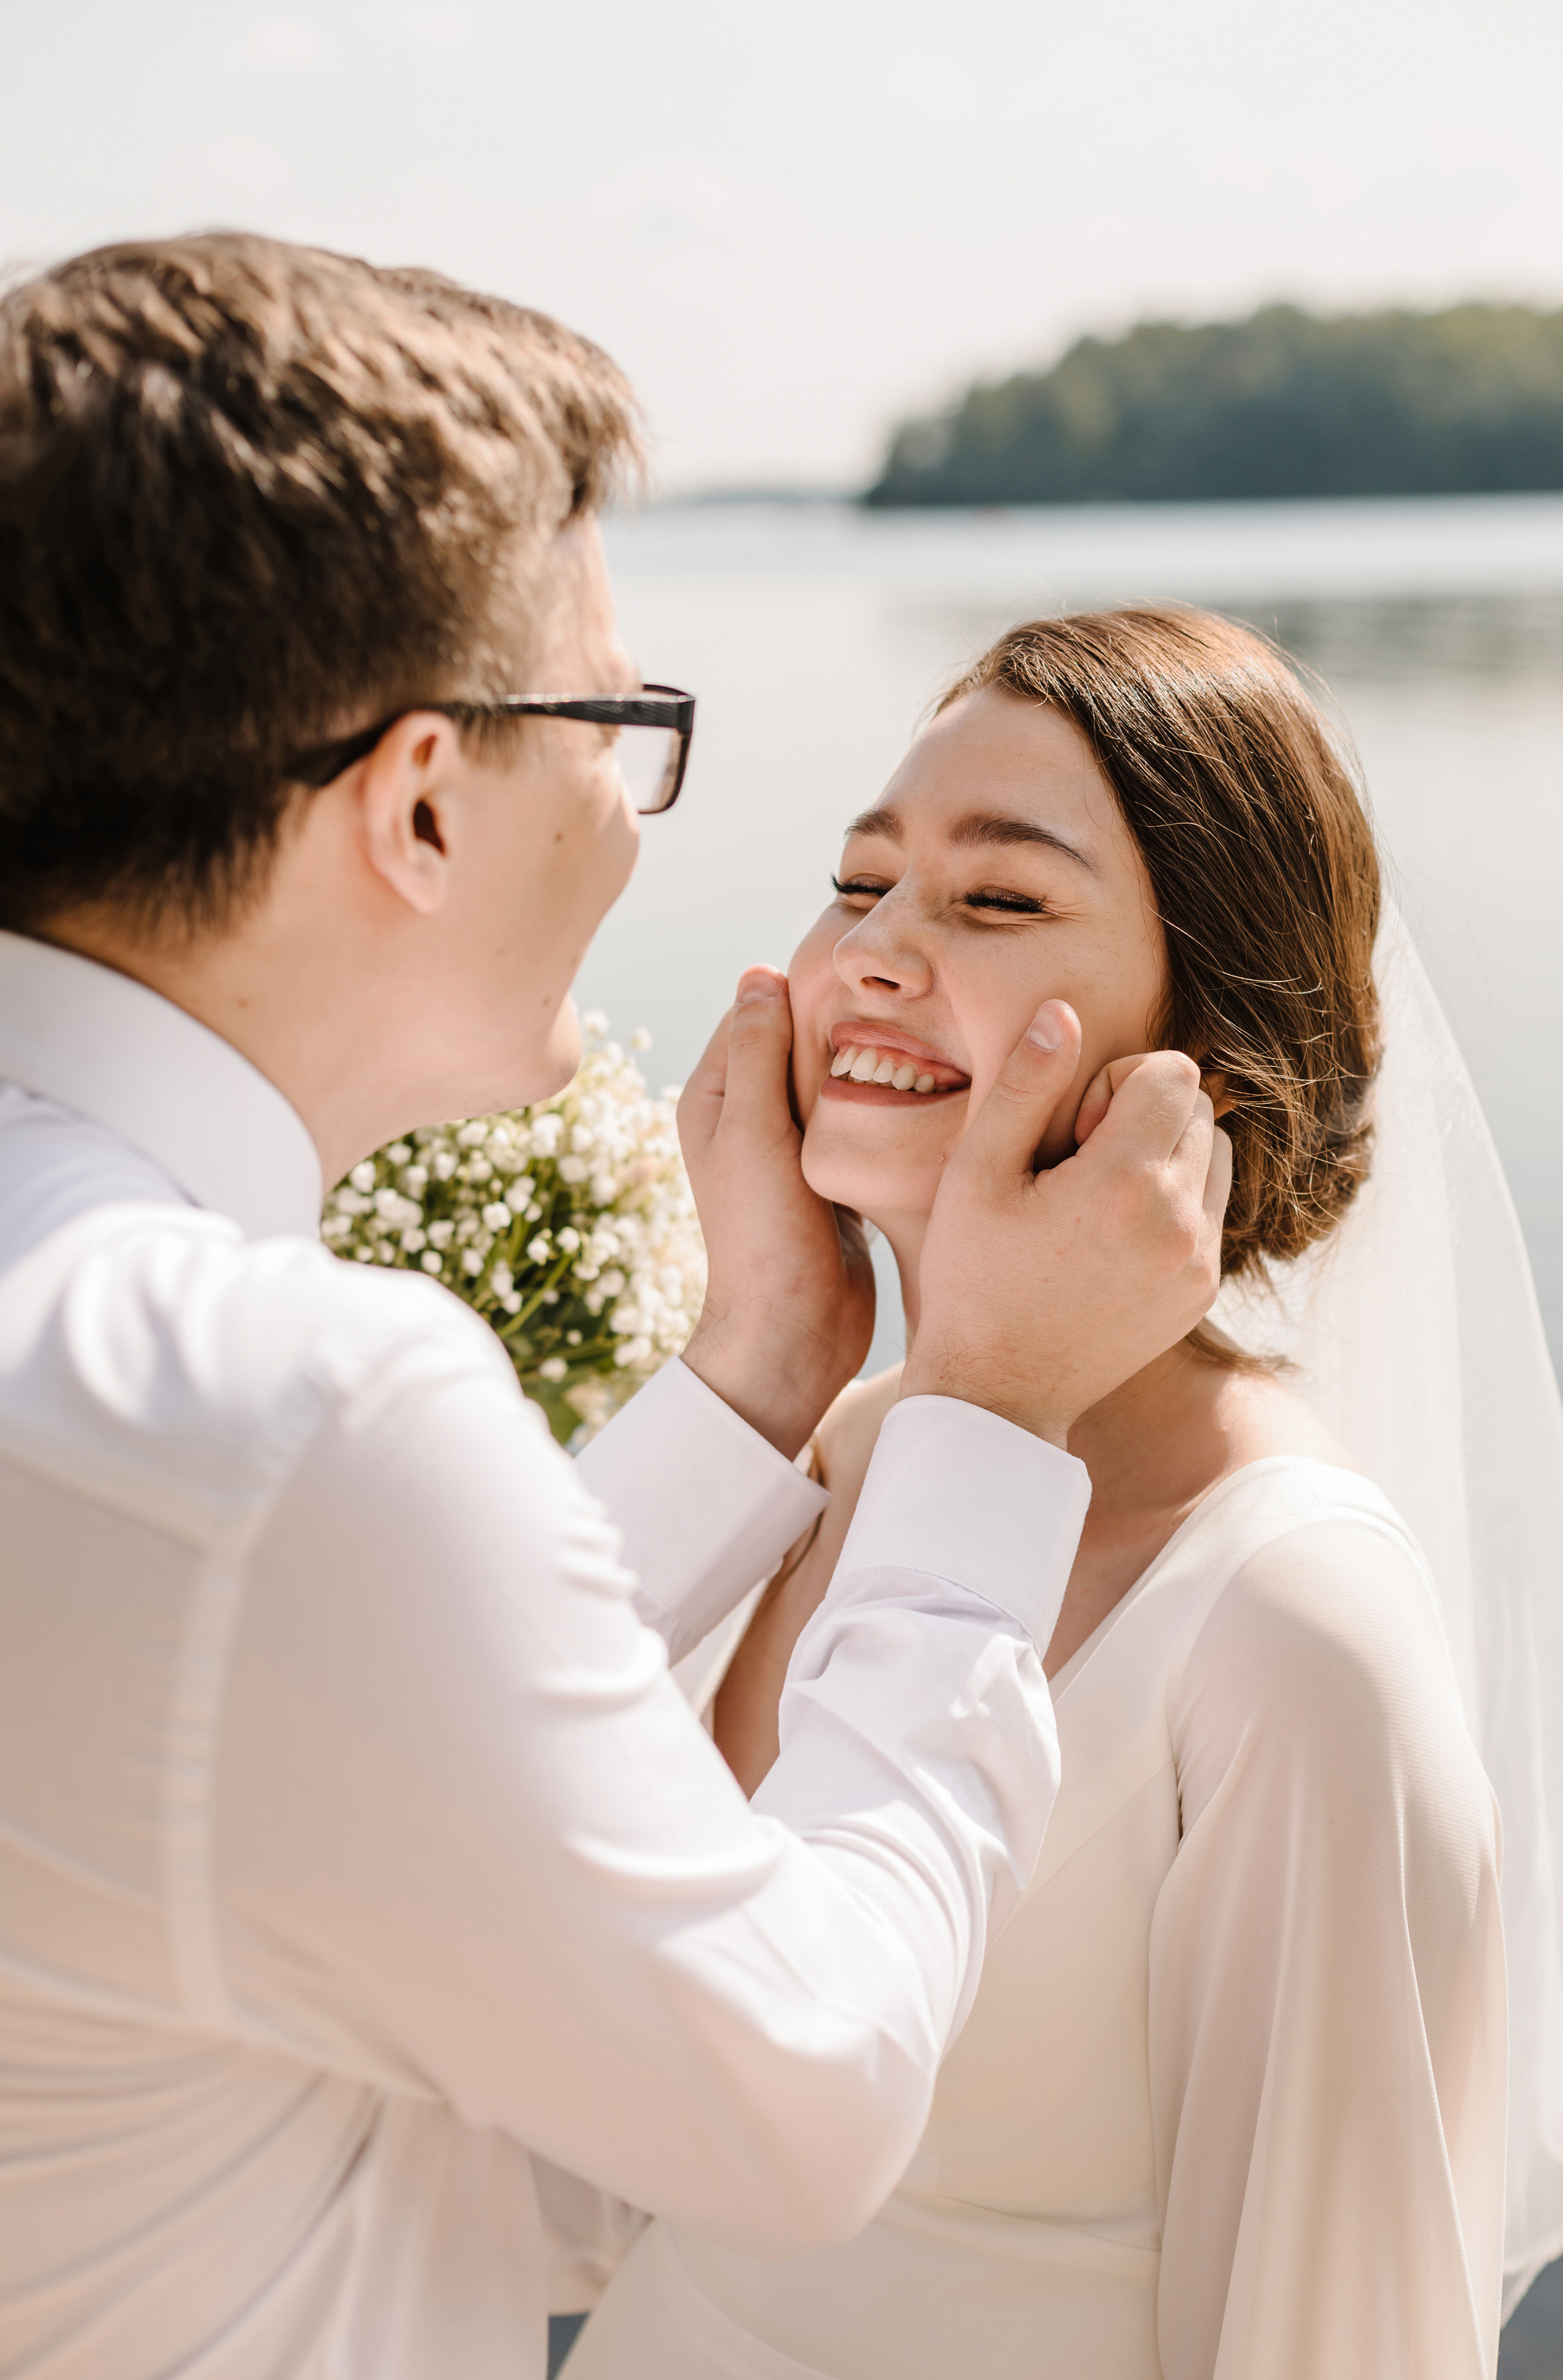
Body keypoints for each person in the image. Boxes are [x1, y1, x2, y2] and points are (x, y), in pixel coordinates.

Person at [0, 241, 1231, 2380]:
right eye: (617, 724)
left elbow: (319, 1753)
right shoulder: (291, 1413)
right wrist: (988, 1424)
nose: (637, 815)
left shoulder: (141, 1362)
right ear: (418, 800)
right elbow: (798, 2089)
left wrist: (755, 1382)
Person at [569, 607, 1563, 2379]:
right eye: (857, 880)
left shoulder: (1289, 1624)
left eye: (999, 900)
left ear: (1210, 1045)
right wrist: (758, 1353)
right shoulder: (833, 1455)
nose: (874, 952)